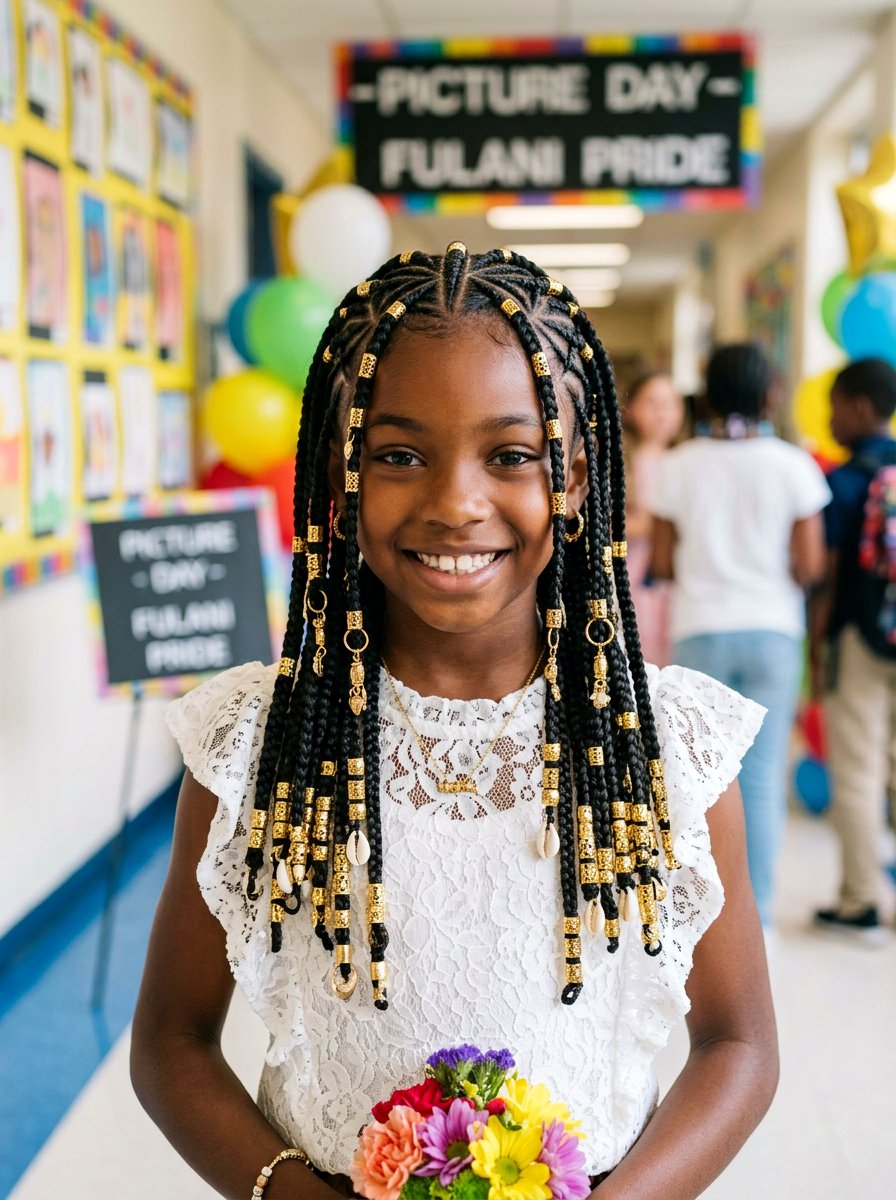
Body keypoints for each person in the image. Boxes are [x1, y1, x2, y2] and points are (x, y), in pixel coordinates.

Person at [131, 248, 777, 1200]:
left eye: (510, 456)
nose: (456, 504)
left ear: (575, 479)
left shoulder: (666, 744)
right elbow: (171, 1043)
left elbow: (739, 1045)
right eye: (400, 456)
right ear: (340, 477)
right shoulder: (257, 742)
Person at [649, 343, 830, 929]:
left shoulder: (679, 465)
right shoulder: (793, 464)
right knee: (762, 776)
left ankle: (699, 916)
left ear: (706, 394)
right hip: (773, 630)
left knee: (697, 777)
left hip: (700, 630)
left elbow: (664, 562)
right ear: (770, 394)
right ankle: (759, 915)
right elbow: (809, 566)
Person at [809, 357, 896, 941]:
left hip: (858, 640)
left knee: (859, 772)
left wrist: (816, 648)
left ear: (861, 408)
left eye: (836, 407)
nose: (830, 419)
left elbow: (827, 576)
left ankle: (861, 901)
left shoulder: (842, 483)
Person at [622, 372, 684, 666]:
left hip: (676, 581)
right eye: (652, 403)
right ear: (630, 408)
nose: (662, 413)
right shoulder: (621, 462)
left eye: (670, 404)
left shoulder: (685, 462)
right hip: (633, 576)